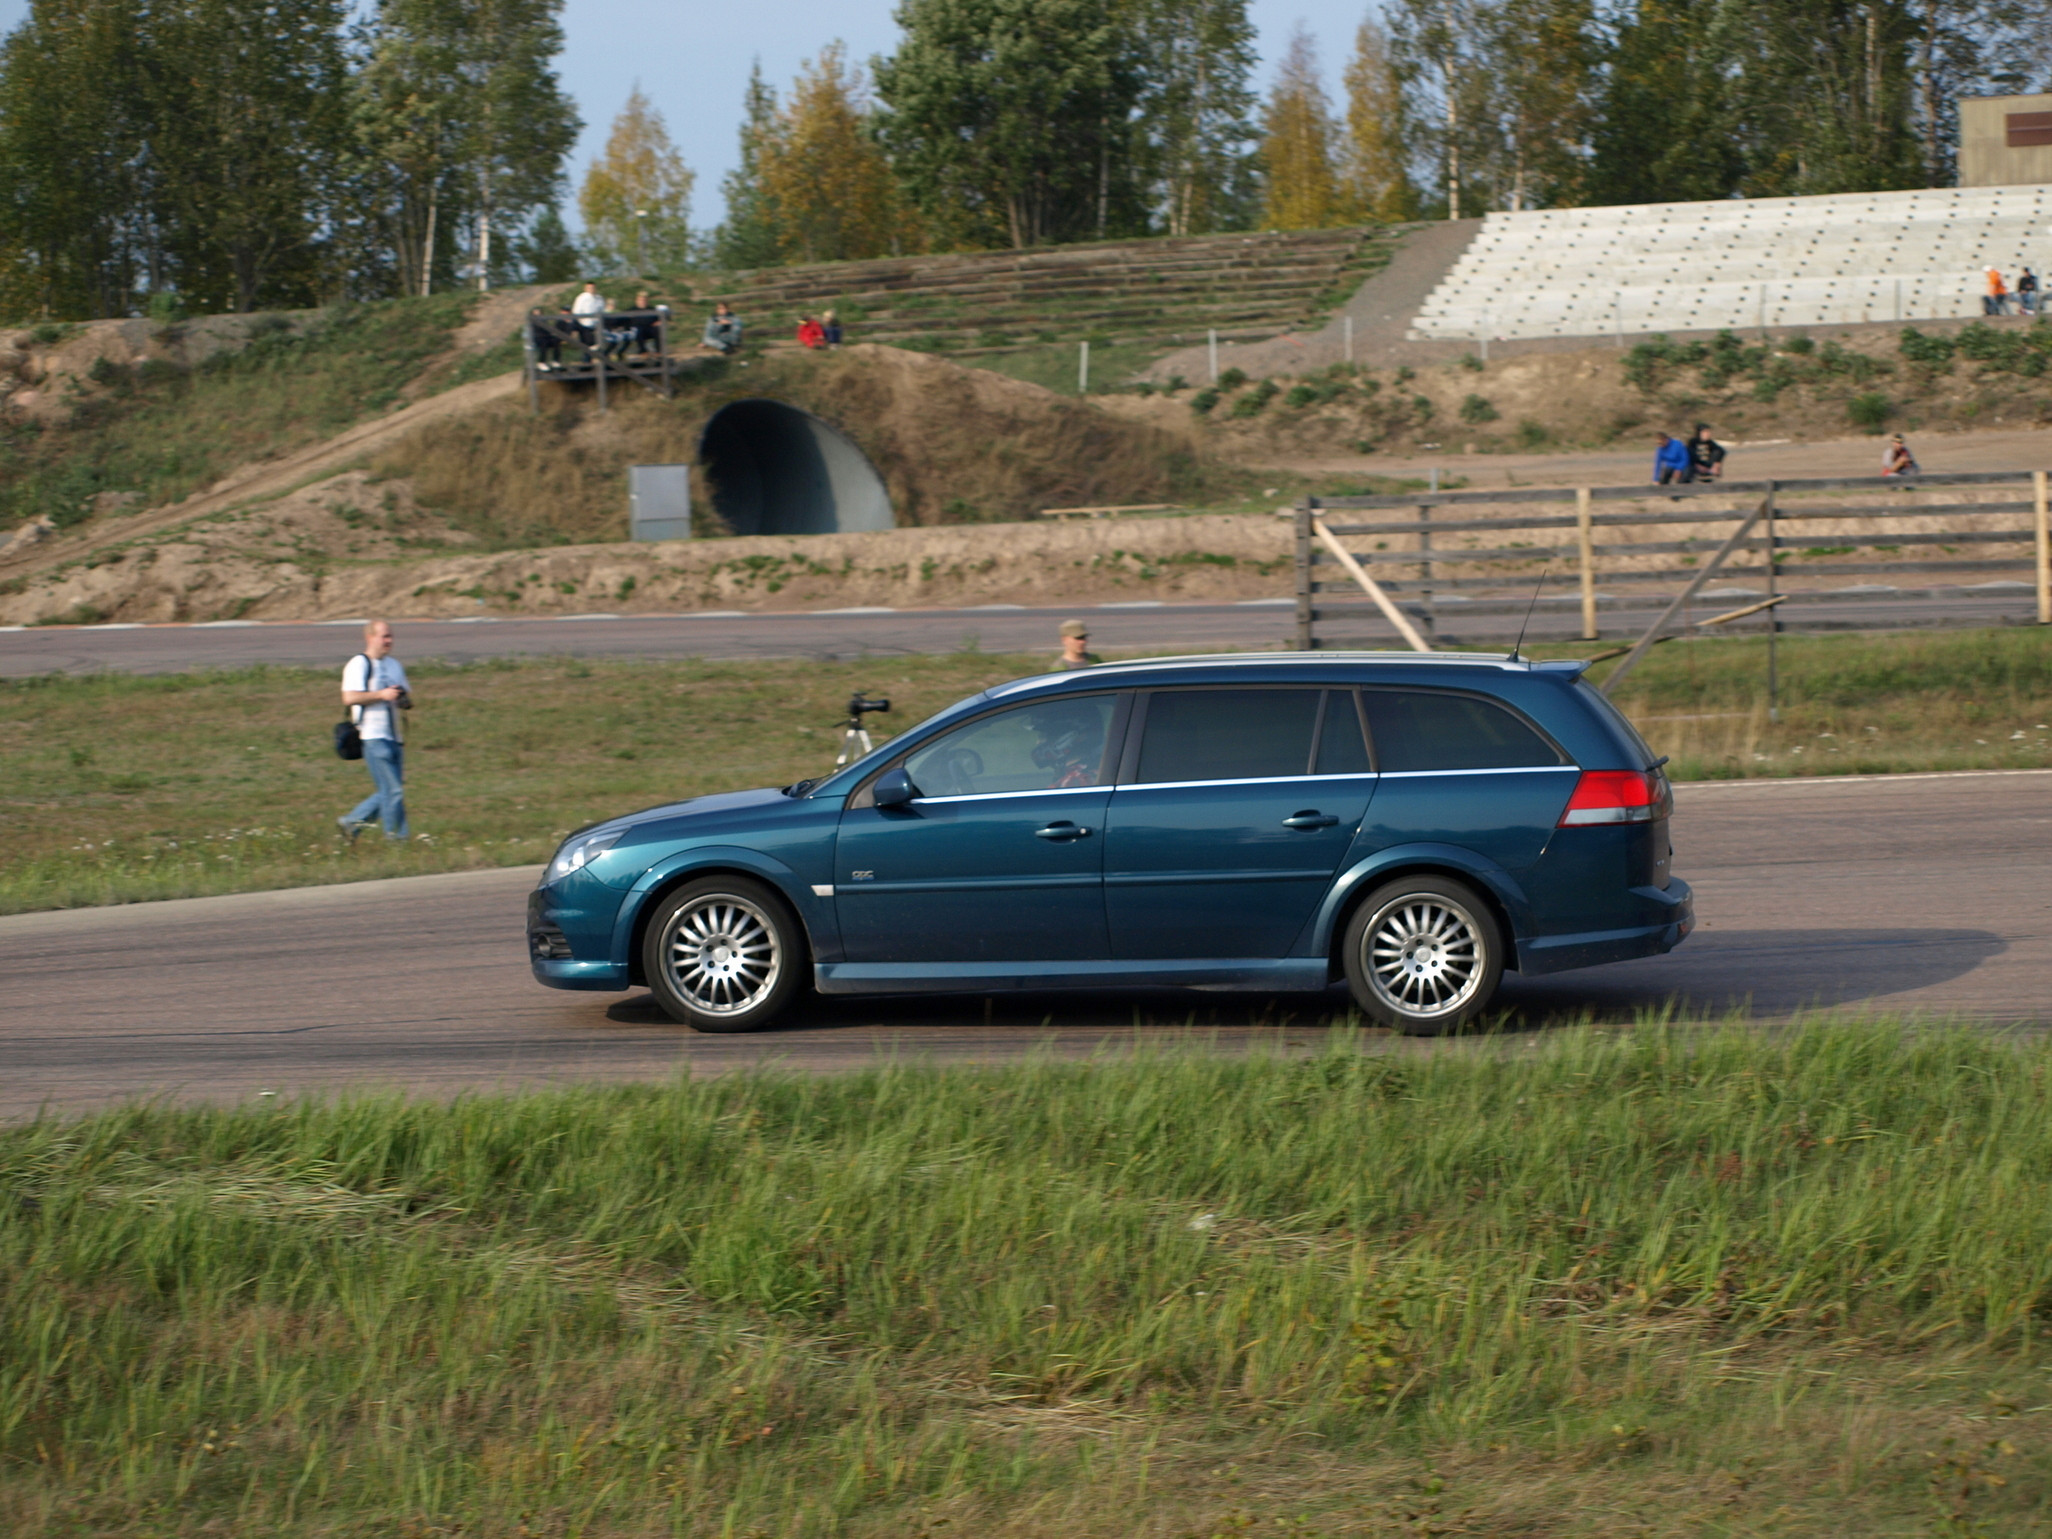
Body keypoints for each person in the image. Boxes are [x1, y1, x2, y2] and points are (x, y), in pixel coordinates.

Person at [338, 620, 412, 842]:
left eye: (390, 636)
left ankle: (351, 823)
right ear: (370, 638)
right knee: (394, 792)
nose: (389, 641)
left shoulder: (394, 665)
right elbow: (349, 697)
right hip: (372, 735)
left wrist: (401, 698)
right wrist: (381, 695)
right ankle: (397, 840)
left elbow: (406, 699)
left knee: (390, 791)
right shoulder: (359, 664)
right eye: (384, 636)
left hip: (394, 736)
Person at [1025, 698, 1107, 788]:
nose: (1038, 742)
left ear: (1073, 736)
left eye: (1044, 736)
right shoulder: (1081, 770)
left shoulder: (1081, 780)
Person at [572, 281, 607, 346]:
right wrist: (580, 322)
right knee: (587, 344)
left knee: (598, 344)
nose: (591, 289)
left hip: (596, 324)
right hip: (584, 324)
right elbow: (576, 311)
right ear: (585, 288)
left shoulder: (599, 298)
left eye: (592, 288)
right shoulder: (581, 298)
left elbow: (602, 310)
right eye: (589, 288)